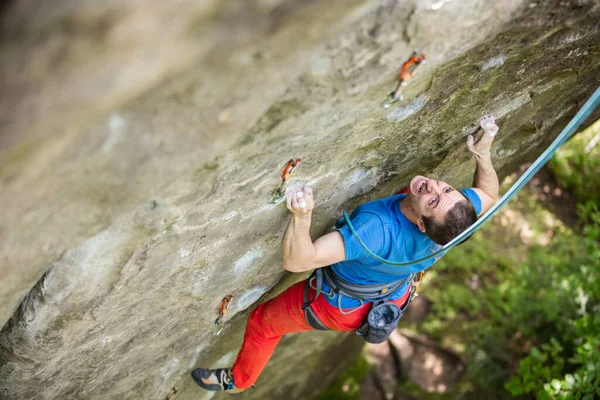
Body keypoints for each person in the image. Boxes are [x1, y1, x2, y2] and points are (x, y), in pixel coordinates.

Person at [191, 115, 501, 393]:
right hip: (391, 290)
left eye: (433, 201)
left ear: (422, 224)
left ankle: (239, 381)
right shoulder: (454, 222)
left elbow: (298, 261)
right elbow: (489, 195)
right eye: (445, 189)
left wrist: (302, 217)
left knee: (263, 322)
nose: (433, 187)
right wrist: (483, 156)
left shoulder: (375, 230)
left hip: (339, 305)